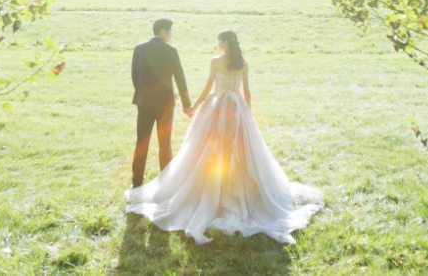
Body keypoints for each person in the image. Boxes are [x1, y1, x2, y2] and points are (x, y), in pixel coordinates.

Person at [126, 30, 323, 245]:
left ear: (224, 43)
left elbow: (208, 88)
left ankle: (208, 191)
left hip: (216, 108)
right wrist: (248, 113)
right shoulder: (243, 63)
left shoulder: (216, 62)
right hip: (237, 110)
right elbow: (247, 92)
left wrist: (193, 107)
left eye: (219, 41)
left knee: (207, 149)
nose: (217, 45)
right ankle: (233, 191)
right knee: (238, 150)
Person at [131, 17, 191, 189]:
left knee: (142, 141)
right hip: (165, 104)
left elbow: (135, 76)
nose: (171, 35)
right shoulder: (170, 51)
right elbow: (180, 79)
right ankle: (166, 182)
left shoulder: (139, 49)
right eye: (170, 32)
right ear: (163, 32)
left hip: (144, 103)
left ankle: (136, 182)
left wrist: (142, 93)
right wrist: (186, 105)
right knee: (165, 142)